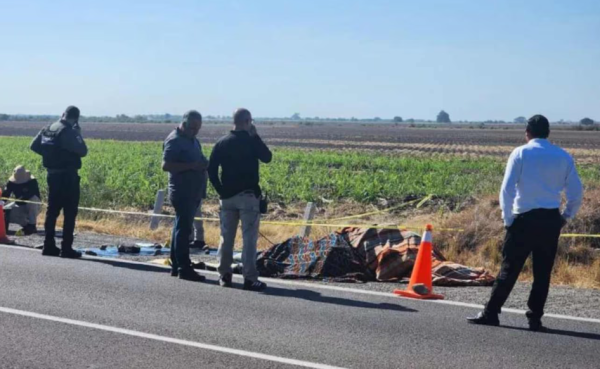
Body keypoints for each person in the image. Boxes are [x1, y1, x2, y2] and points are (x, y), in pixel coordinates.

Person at [468, 115, 583, 331]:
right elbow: (577, 192)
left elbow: (507, 189)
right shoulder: (563, 157)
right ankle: (535, 318)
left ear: (527, 132)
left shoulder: (520, 152)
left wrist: (508, 218)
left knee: (508, 269)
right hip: (550, 220)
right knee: (542, 273)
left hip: (524, 219)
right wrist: (565, 217)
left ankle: (491, 312)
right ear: (548, 133)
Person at [208, 108, 272, 291]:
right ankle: (250, 278)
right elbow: (267, 157)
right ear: (247, 121)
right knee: (249, 239)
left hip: (227, 198)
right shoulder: (252, 142)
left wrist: (221, 190)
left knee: (225, 237)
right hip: (248, 197)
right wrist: (256, 136)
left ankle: (224, 275)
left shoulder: (221, 142)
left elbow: (211, 170)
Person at [31, 106, 88, 258]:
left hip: (52, 175)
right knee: (69, 212)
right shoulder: (69, 131)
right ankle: (66, 248)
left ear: (63, 114)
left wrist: (50, 154)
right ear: (76, 118)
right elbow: (83, 151)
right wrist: (78, 134)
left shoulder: (48, 128)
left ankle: (48, 245)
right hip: (68, 176)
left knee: (52, 211)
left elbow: (34, 146)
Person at [162, 110, 208, 282]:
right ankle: (183, 267)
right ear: (184, 123)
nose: (195, 131)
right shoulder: (175, 140)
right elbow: (165, 165)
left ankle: (176, 265)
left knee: (179, 228)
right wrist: (192, 166)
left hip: (193, 191)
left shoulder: (192, 139)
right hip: (182, 191)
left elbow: (198, 160)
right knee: (184, 230)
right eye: (193, 127)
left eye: (198, 128)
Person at [2, 165, 41, 235]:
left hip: (33, 206)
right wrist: (1, 202)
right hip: (19, 203)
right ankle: (26, 226)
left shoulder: (32, 181)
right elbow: (6, 193)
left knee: (33, 199)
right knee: (7, 211)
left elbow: (30, 195)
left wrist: (20, 199)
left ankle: (32, 225)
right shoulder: (11, 183)